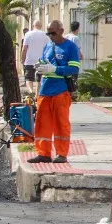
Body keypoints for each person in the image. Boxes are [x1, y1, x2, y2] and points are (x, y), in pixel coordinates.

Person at [27, 19, 81, 165]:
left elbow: (74, 69)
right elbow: (45, 62)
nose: (50, 36)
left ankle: (62, 154)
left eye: (53, 33)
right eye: (48, 33)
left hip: (61, 92)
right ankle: (43, 153)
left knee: (61, 124)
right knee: (42, 124)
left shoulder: (70, 47)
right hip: (45, 91)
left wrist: (55, 69)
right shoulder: (48, 46)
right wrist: (41, 66)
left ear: (61, 31)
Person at [20, 20, 49, 84]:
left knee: (28, 79)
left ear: (33, 26)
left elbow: (24, 49)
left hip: (29, 60)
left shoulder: (28, 34)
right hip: (41, 61)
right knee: (40, 79)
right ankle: (37, 93)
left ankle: (31, 92)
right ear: (41, 26)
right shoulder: (46, 35)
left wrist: (23, 59)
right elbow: (48, 49)